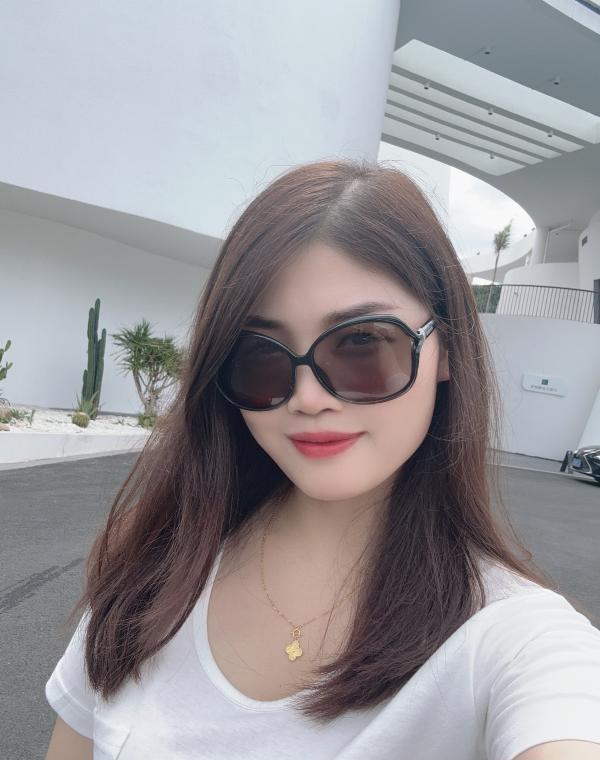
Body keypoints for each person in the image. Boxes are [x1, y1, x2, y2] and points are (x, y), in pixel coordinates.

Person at [44, 159, 600, 760]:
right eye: (260, 354)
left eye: (361, 343)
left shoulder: (516, 643)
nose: (307, 398)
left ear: (446, 350)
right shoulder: (158, 561)